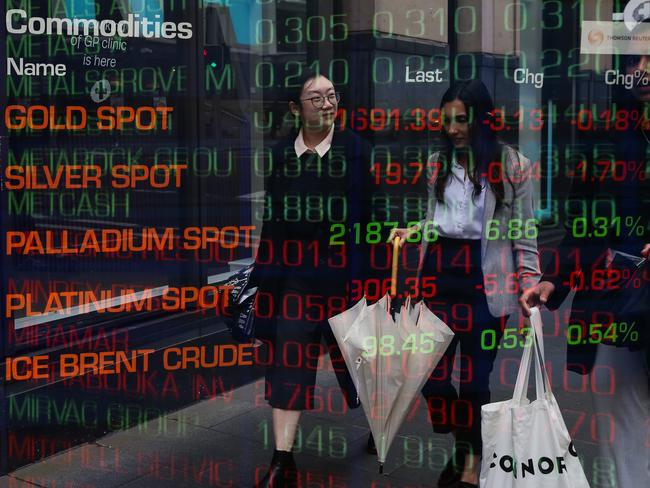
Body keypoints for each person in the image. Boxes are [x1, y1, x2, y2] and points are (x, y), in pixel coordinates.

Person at [390, 80, 540, 488]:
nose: (453, 129)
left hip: (485, 283)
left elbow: (524, 235)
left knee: (474, 380)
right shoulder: (437, 164)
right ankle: (467, 443)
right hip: (438, 279)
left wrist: (532, 284)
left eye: (462, 120)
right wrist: (414, 230)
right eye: (447, 120)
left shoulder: (513, 165)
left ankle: (471, 466)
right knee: (433, 379)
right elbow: (437, 220)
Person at [520, 54, 650, 488]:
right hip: (616, 300)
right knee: (619, 418)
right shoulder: (608, 132)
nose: (643, 70)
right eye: (635, 61)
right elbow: (583, 220)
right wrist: (553, 278)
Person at [250, 70, 373, 488]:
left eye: (331, 95)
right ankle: (282, 459)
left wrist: (375, 284)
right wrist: (264, 280)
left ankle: (379, 421)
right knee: (289, 360)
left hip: (346, 280)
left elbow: (373, 221)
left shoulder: (358, 152)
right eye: (315, 97)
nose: (326, 103)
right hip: (297, 279)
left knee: (360, 363)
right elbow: (274, 223)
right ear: (295, 108)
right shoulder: (283, 155)